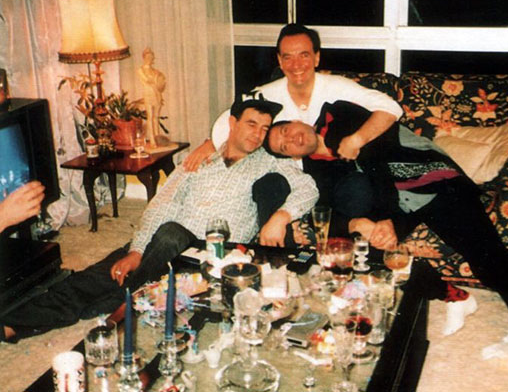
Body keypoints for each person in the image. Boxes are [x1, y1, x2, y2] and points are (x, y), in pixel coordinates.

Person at [0, 95, 318, 342]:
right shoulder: (198, 159)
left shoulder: (268, 162)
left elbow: (309, 189)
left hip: (208, 259)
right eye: (251, 124)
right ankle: (13, 325)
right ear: (232, 123)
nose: (259, 134)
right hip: (159, 248)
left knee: (171, 233)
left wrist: (280, 217)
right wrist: (137, 251)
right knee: (94, 276)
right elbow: (162, 203)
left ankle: (120, 301)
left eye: (264, 128)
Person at [264, 100, 508, 335]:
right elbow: (328, 211)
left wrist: (387, 219)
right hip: (396, 206)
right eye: (284, 146)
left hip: (432, 180)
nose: (291, 138)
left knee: (484, 253)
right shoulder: (315, 170)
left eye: (286, 130)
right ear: (291, 157)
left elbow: (377, 158)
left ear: (298, 120)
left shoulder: (338, 113)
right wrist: (360, 224)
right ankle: (454, 296)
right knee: (365, 254)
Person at [183, 23, 403, 220]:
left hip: (332, 179)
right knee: (267, 185)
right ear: (280, 61)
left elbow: (391, 107)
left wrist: (357, 139)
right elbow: (229, 121)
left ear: (316, 58)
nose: (296, 65)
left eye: (304, 55)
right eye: (288, 57)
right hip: (293, 180)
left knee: (356, 189)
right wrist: (214, 143)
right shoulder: (266, 94)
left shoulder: (337, 87)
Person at [138, 47, 166, 148]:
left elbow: (161, 83)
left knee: (156, 117)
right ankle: (152, 139)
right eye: (147, 57)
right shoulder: (141, 70)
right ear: (144, 58)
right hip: (148, 94)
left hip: (157, 94)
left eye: (151, 57)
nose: (149, 59)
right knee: (150, 116)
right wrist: (156, 80)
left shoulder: (155, 71)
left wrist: (158, 82)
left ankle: (158, 138)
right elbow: (147, 80)